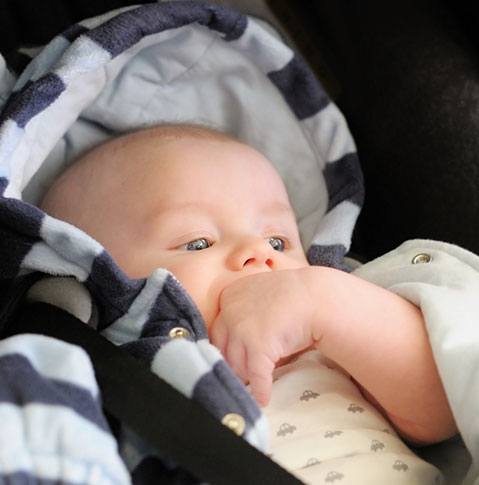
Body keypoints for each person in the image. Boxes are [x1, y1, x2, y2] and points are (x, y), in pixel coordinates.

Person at [41, 124, 454, 484]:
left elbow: (441, 409)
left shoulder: (329, 345)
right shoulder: (106, 379)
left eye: (279, 241)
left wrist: (324, 301)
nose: (259, 252)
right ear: (103, 282)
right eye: (198, 242)